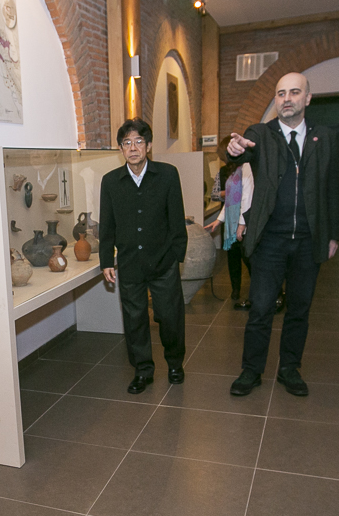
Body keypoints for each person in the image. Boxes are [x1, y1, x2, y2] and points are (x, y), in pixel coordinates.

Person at [221, 72, 339, 397]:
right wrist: (234, 149)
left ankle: (289, 368)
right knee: (261, 309)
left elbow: (332, 186)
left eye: (294, 92)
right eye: (280, 93)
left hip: (308, 240)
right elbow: (239, 152)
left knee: (299, 310)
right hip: (270, 240)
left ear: (308, 98)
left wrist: (332, 234)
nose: (286, 99)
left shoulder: (324, 137)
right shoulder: (261, 134)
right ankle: (251, 370)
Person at [100, 118, 188, 394]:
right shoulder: (110, 182)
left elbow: (177, 219)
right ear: (120, 149)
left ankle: (175, 364)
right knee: (134, 320)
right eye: (127, 142)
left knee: (170, 317)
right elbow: (107, 225)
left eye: (139, 141)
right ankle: (142, 371)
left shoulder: (168, 175)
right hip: (130, 263)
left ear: (148, 146)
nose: (133, 147)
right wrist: (106, 261)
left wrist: (176, 255)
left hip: (163, 261)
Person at [205, 138, 254, 309]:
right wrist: (219, 220)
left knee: (250, 260)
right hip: (232, 223)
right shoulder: (229, 171)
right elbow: (228, 200)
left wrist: (242, 223)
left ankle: (263, 293)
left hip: (245, 223)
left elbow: (247, 197)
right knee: (233, 259)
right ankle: (236, 291)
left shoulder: (247, 167)